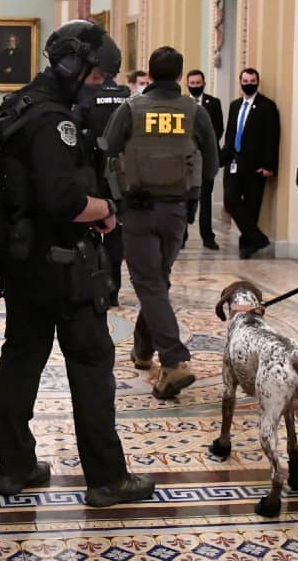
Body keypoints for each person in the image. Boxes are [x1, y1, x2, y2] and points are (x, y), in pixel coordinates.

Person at [0, 19, 153, 508]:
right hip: (62, 265)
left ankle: (16, 467)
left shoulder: (17, 105)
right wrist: (104, 210)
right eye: (98, 77)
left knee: (20, 361)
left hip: (22, 264)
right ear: (72, 65)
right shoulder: (53, 121)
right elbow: (62, 198)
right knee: (92, 363)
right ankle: (107, 478)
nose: (100, 86)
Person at [102, 47, 219, 399]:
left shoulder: (131, 109)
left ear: (149, 75)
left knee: (150, 283)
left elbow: (107, 152)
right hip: (175, 211)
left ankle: (174, 359)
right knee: (158, 280)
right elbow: (211, 162)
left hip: (137, 209)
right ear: (181, 77)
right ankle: (142, 349)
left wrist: (114, 201)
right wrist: (190, 196)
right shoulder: (194, 111)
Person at [75, 70, 131, 303]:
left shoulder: (86, 98)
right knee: (116, 234)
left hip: (92, 174)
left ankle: (91, 283)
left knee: (89, 230)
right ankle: (113, 288)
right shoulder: (126, 97)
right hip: (120, 174)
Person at [221, 67, 280, 259]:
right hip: (234, 161)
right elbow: (231, 134)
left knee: (252, 205)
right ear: (240, 82)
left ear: (258, 82)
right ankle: (257, 237)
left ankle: (247, 245)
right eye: (245, 81)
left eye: (252, 81)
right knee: (231, 199)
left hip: (256, 165)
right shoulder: (235, 105)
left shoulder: (267, 106)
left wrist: (270, 166)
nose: (248, 84)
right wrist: (222, 158)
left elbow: (272, 138)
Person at [185, 69, 224, 250]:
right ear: (187, 85)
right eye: (191, 84)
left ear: (204, 83)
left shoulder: (213, 103)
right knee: (183, 197)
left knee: (205, 198)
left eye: (198, 83)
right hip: (184, 159)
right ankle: (182, 236)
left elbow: (218, 129)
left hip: (205, 158)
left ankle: (208, 237)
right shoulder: (182, 103)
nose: (195, 86)